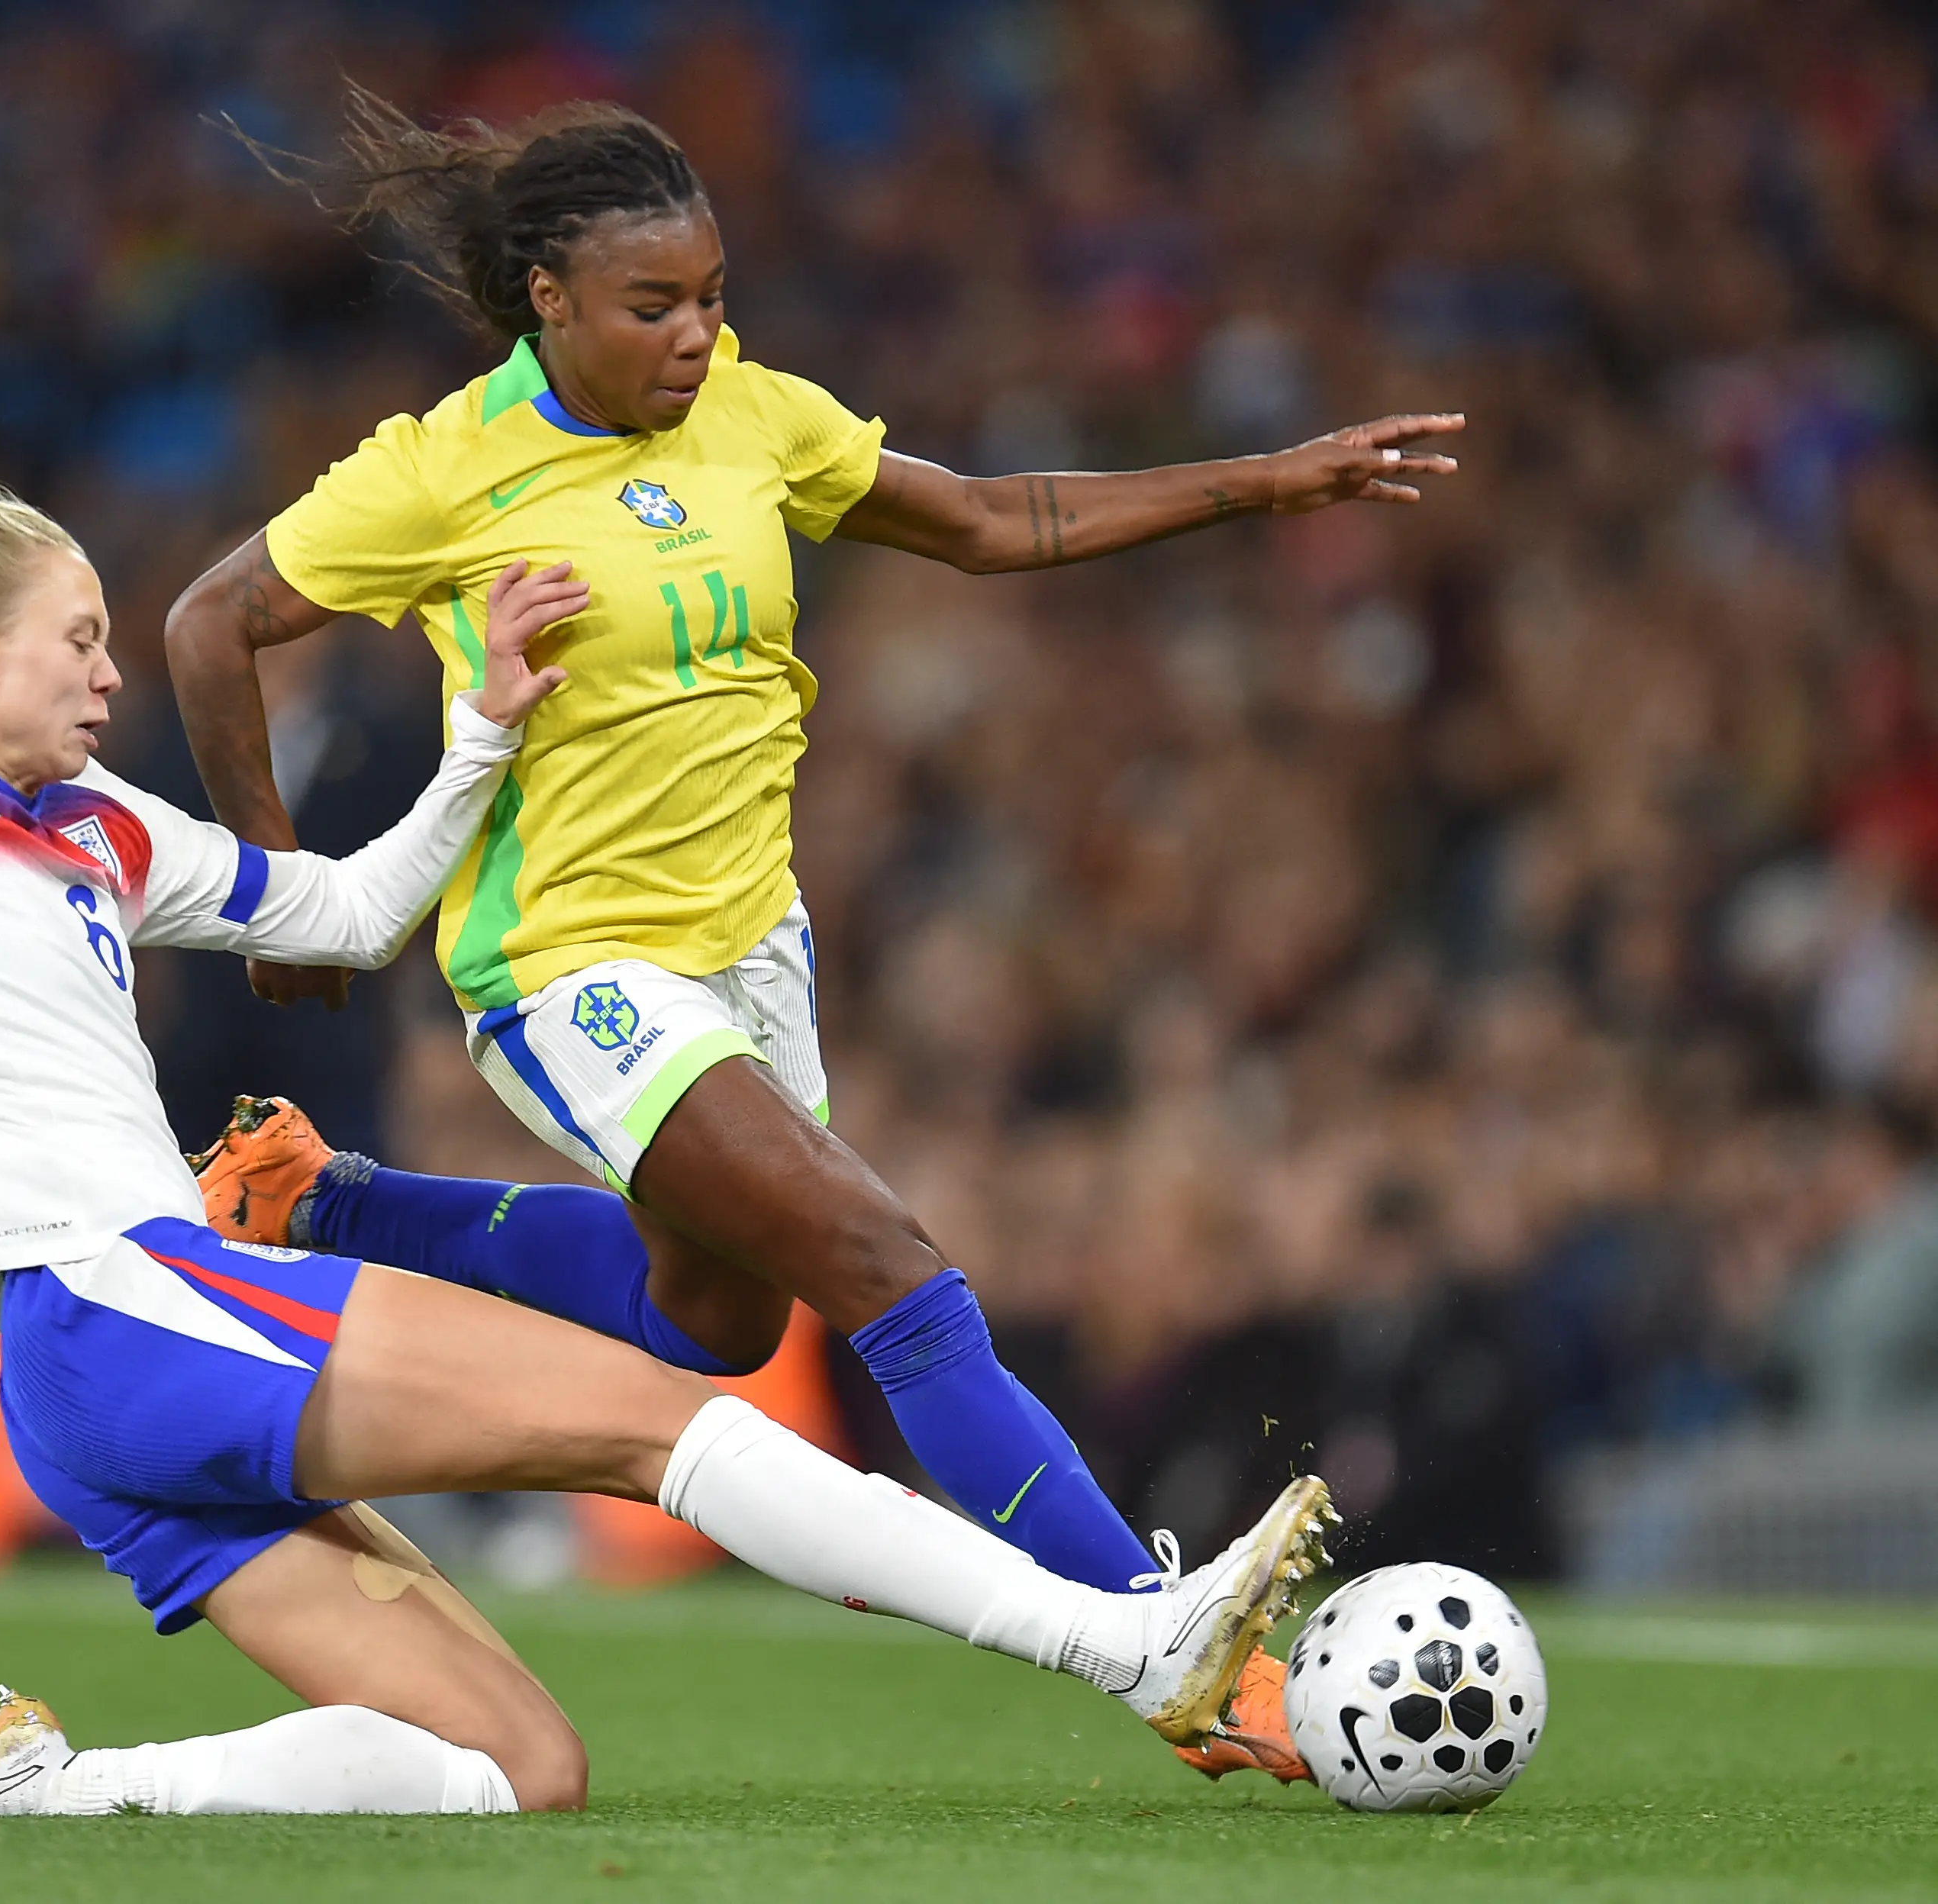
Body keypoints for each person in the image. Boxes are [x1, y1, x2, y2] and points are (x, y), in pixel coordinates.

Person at [0, 485, 1333, 1819]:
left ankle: (39, 1794)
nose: (103, 663)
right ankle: (1119, 1633)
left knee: (521, 1767)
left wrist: (487, 735)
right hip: (122, 1289)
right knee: (656, 1418)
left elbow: (337, 909)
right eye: (77, 633)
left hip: (86, 1378)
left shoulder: (95, 832)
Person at [166, 94, 1453, 1777]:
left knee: (711, 1322)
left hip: (749, 949)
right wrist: (276, 884)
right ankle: (1157, 1636)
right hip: (569, 968)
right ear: (545, 297)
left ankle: (308, 1197)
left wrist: (1261, 486)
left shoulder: (754, 417)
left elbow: (994, 520)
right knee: (884, 1269)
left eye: (709, 293)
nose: (696, 332)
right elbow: (211, 622)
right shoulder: (444, 469)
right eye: (654, 306)